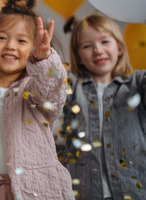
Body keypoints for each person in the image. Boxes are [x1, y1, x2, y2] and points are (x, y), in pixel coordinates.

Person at [0, 0, 74, 200]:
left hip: (32, 189)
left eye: (22, 41)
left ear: (34, 48)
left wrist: (44, 60)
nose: (10, 45)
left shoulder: (33, 90)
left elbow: (53, 92)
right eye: (1, 38)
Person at [60, 14, 146, 200]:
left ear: (120, 47)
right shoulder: (73, 89)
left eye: (105, 41)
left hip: (136, 192)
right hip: (86, 194)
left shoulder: (137, 84)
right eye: (87, 46)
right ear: (79, 57)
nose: (98, 50)